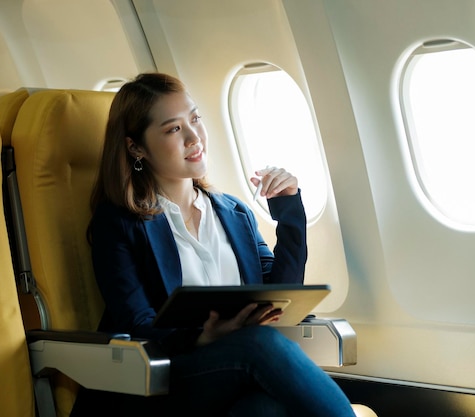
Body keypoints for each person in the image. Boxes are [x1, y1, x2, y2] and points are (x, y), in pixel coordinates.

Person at [73, 73, 356, 417]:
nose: (194, 137)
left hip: (233, 381)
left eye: (194, 119)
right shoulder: (119, 223)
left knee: (266, 410)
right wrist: (203, 337)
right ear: (136, 147)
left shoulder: (234, 212)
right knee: (260, 345)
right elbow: (136, 323)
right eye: (173, 129)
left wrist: (289, 210)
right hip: (167, 380)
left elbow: (282, 293)